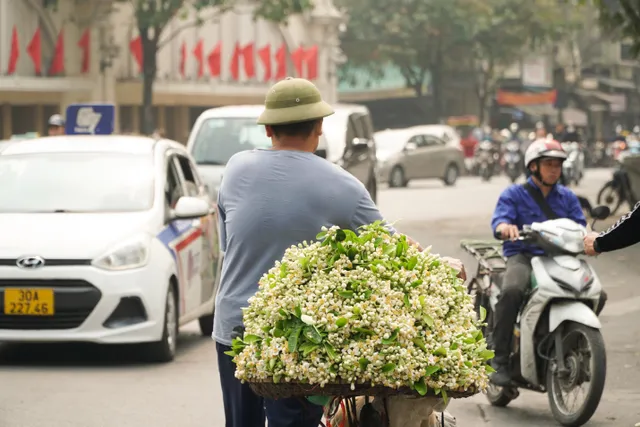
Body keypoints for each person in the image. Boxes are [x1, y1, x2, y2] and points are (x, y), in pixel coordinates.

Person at [214, 77, 466, 427]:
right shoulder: (344, 186)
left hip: (234, 328)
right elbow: (395, 251)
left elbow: (229, 246)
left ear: (268, 129)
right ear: (319, 127)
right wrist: (441, 265)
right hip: (296, 339)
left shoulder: (235, 169)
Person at [489, 139, 607, 386]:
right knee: (512, 291)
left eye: (558, 165)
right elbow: (500, 221)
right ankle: (498, 360)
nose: (555, 169)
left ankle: (573, 340)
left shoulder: (567, 197)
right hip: (523, 255)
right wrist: (505, 227)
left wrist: (590, 239)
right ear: (533, 167)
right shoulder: (514, 194)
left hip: (559, 257)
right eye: (549, 164)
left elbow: (580, 225)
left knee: (598, 294)